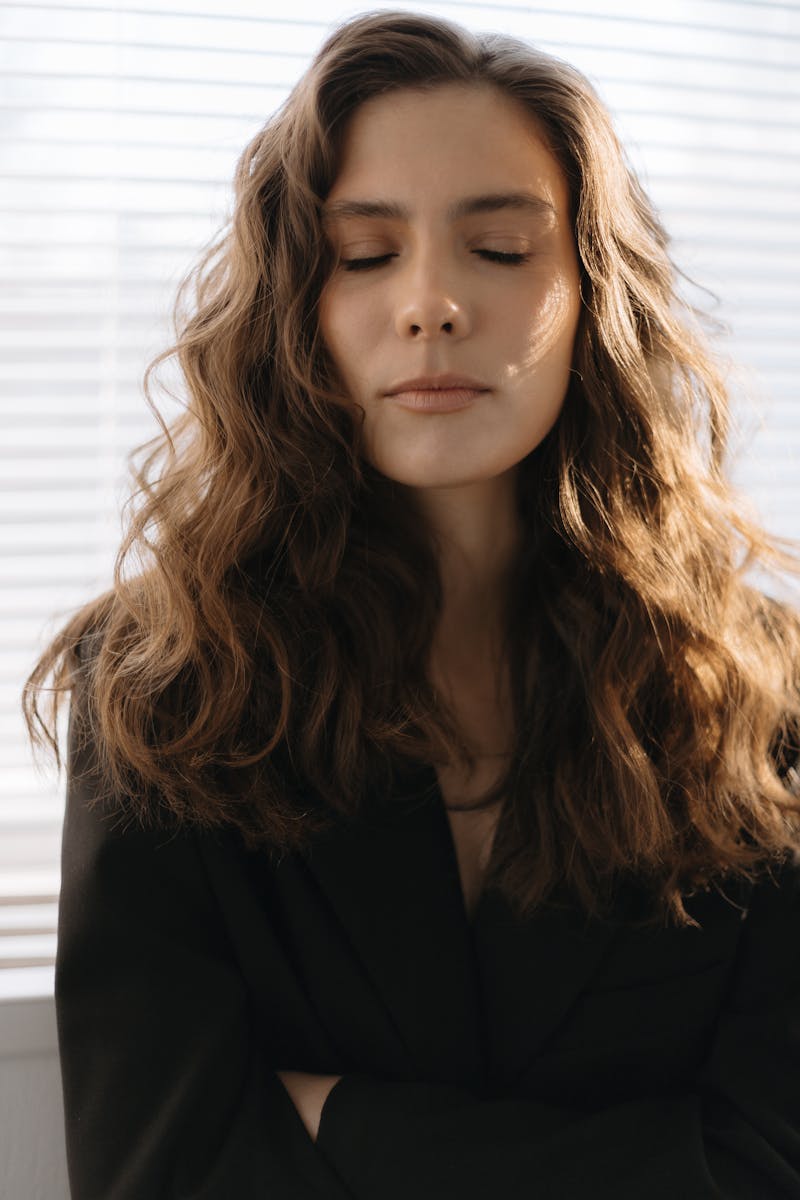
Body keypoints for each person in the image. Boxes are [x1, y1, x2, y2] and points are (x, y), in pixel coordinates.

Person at [23, 9, 800, 1199]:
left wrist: (339, 1127)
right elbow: (158, 1170)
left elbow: (765, 1164)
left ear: (595, 298)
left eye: (498, 248)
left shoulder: (762, 689)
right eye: (364, 254)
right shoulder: (159, 686)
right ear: (296, 308)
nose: (431, 304)